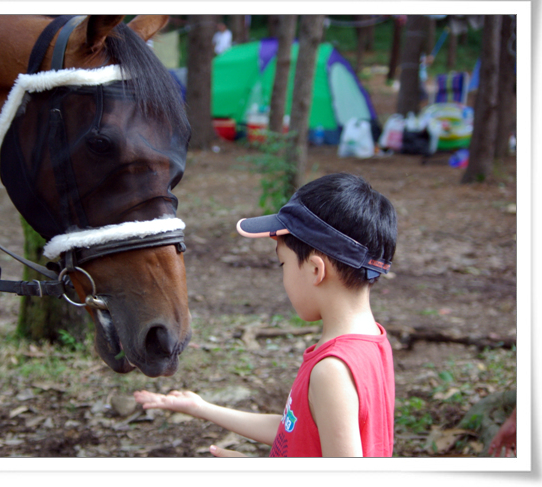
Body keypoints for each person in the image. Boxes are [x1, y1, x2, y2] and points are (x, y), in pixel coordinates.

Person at [135, 173, 398, 457]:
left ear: (315, 270)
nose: (283, 276)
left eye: (282, 263)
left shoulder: (332, 370)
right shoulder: (372, 343)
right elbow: (296, 431)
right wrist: (201, 408)